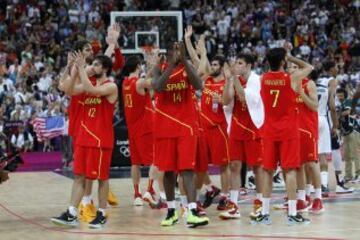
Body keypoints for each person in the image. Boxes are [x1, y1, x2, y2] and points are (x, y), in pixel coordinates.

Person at [51, 54, 117, 229]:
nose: (93, 67)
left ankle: (102, 213)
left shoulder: (111, 86)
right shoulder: (88, 84)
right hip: (84, 138)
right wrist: (71, 68)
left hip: (100, 140)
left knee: (102, 178)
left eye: (96, 65)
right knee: (79, 177)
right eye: (92, 63)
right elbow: (69, 90)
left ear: (105, 68)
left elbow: (94, 91)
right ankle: (72, 212)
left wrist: (81, 68)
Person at [251, 45, 312, 225]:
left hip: (269, 130)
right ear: (283, 61)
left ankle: (265, 213)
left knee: (267, 172)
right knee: (290, 171)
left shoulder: (262, 79)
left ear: (268, 62)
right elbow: (309, 68)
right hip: (289, 131)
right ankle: (292, 214)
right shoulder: (291, 78)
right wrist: (291, 57)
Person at [152, 42, 209, 228]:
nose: (177, 52)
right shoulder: (159, 67)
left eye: (179, 49)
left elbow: (198, 84)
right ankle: (171, 212)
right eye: (174, 50)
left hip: (186, 125)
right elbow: (158, 87)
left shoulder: (187, 67)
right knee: (168, 171)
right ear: (168, 52)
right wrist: (170, 65)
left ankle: (192, 211)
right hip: (165, 125)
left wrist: (184, 60)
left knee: (187, 170)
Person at [221, 53, 264, 219]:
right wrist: (227, 81)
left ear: (248, 66)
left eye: (239, 63)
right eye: (236, 63)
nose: (236, 66)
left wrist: (233, 77)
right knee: (234, 166)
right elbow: (225, 101)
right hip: (237, 126)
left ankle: (259, 202)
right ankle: (234, 205)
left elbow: (243, 97)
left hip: (253, 127)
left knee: (257, 167)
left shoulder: (256, 80)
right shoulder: (234, 78)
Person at [121, 55, 165, 207]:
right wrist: (155, 66)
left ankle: (137, 195)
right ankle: (149, 190)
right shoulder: (140, 83)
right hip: (145, 127)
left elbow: (144, 88)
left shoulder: (125, 83)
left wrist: (149, 68)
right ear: (138, 66)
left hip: (132, 128)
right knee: (156, 160)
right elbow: (154, 84)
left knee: (135, 163)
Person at [288, 63, 324, 214]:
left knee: (311, 164)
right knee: (298, 166)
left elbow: (315, 106)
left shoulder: (309, 83)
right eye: (290, 67)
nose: (292, 69)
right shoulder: (286, 86)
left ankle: (318, 198)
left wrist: (302, 93)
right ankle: (302, 199)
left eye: (295, 67)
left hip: (308, 130)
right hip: (292, 130)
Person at [316, 61, 338, 196]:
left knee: (309, 154)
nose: (337, 69)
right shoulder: (332, 81)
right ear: (331, 69)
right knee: (322, 154)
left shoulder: (318, 80)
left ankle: (309, 186)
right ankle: (323, 184)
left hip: (310, 118)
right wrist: (335, 125)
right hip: (323, 118)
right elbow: (332, 106)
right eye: (335, 67)